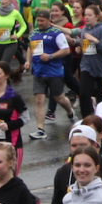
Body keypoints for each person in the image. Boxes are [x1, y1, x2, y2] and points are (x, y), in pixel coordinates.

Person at [28, 8, 76, 139]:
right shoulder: (34, 33)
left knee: (59, 98)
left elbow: (66, 50)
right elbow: (30, 46)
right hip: (38, 72)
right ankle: (40, 129)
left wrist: (50, 56)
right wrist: (27, 61)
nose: (40, 23)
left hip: (54, 71)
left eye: (42, 20)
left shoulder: (56, 33)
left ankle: (70, 112)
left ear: (49, 20)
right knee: (39, 99)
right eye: (38, 20)